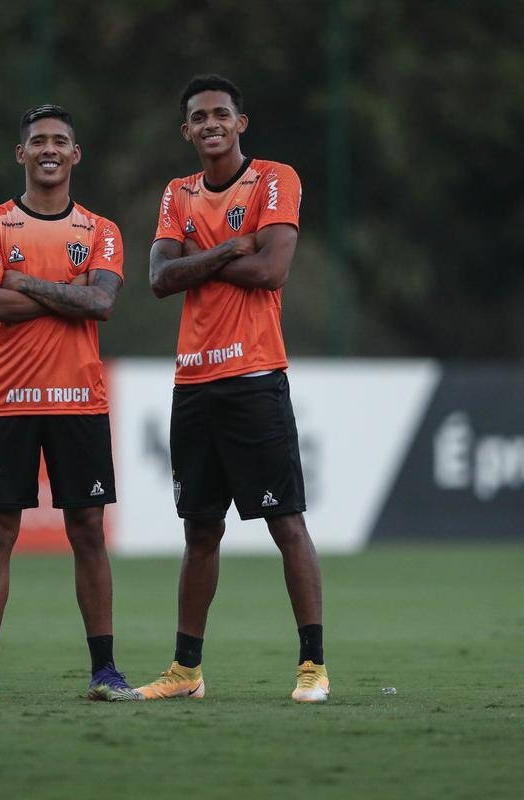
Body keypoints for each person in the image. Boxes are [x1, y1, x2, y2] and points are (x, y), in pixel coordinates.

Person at [0, 104, 140, 703]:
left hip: (79, 400)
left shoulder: (100, 230)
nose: (49, 149)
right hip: (9, 400)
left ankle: (105, 672)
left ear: (76, 155)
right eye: (39, 141)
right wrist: (66, 295)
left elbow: (101, 304)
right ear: (21, 153)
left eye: (60, 141)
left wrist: (23, 282)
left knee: (88, 531)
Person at [136, 75, 329, 703]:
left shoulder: (274, 178)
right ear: (186, 131)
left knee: (286, 523)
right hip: (193, 382)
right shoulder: (178, 192)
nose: (211, 123)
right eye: (199, 117)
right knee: (199, 532)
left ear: (240, 123)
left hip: (254, 378)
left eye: (221, 113)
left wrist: (199, 256)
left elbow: (272, 270)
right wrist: (228, 250)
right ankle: (186, 671)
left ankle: (313, 666)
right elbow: (159, 278)